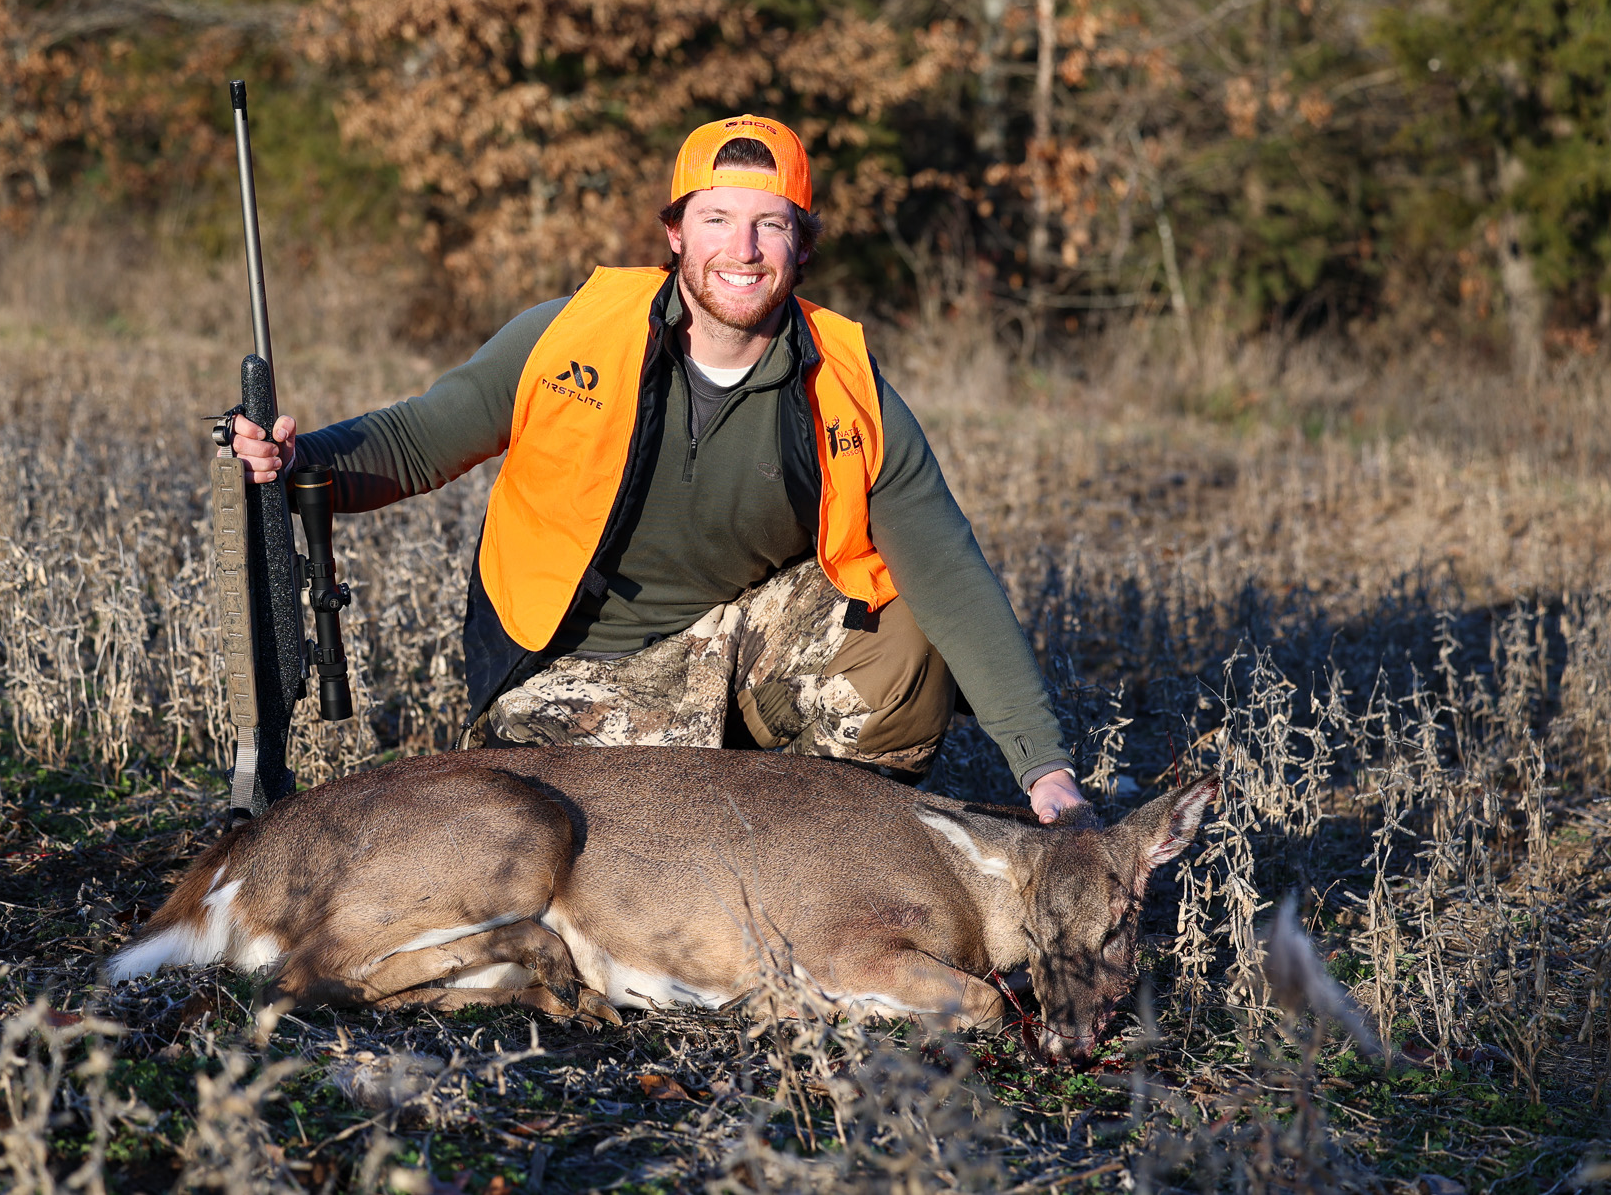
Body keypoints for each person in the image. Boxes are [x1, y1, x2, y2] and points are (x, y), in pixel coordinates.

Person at [232, 115, 1089, 822]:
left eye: (771, 224)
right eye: (717, 220)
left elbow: (950, 573)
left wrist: (1044, 769)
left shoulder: (847, 385)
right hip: (574, 678)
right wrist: (301, 459)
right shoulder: (565, 335)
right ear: (676, 232)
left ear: (802, 245)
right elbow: (416, 441)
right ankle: (720, 812)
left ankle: (827, 837)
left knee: (904, 626)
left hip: (733, 646)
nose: (742, 249)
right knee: (564, 824)